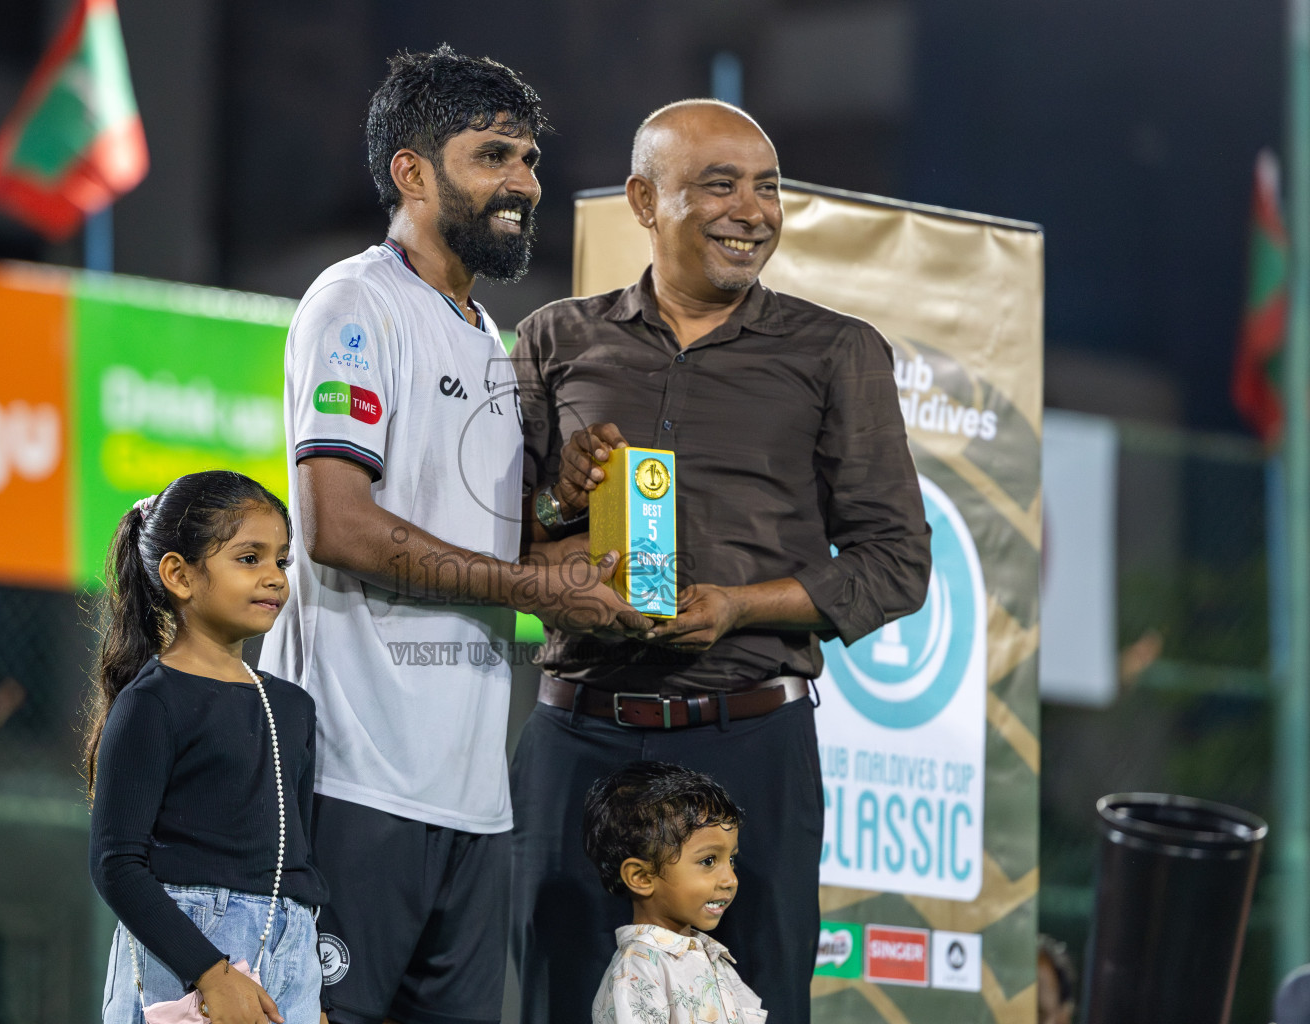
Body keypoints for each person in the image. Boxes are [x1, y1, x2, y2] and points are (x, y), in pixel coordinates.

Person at [510, 99, 933, 1024]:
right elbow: (506, 546)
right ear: (643, 199)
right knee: (560, 1003)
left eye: (768, 187)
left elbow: (897, 560)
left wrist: (740, 607)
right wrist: (558, 500)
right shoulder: (553, 339)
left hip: (750, 742)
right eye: (720, 184)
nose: (754, 209)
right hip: (580, 733)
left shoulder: (838, 353)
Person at [257, 46, 649, 1024]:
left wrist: (578, 518)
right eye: (494, 157)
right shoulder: (356, 303)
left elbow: (500, 551)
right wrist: (538, 588)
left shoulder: (489, 340)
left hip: (473, 802)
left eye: (528, 159)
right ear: (412, 173)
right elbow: (338, 525)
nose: (524, 182)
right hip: (354, 780)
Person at [87, 470, 324, 1024]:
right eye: (249, 559)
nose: (274, 578)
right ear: (179, 574)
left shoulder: (292, 708)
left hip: (290, 959)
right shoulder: (151, 701)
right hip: (183, 966)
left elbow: (301, 860)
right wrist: (212, 974)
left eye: (281, 561)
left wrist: (314, 986)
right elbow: (116, 863)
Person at [583, 761, 765, 1024]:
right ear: (641, 877)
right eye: (709, 861)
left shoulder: (712, 959)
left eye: (732, 860)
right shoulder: (638, 972)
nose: (730, 879)